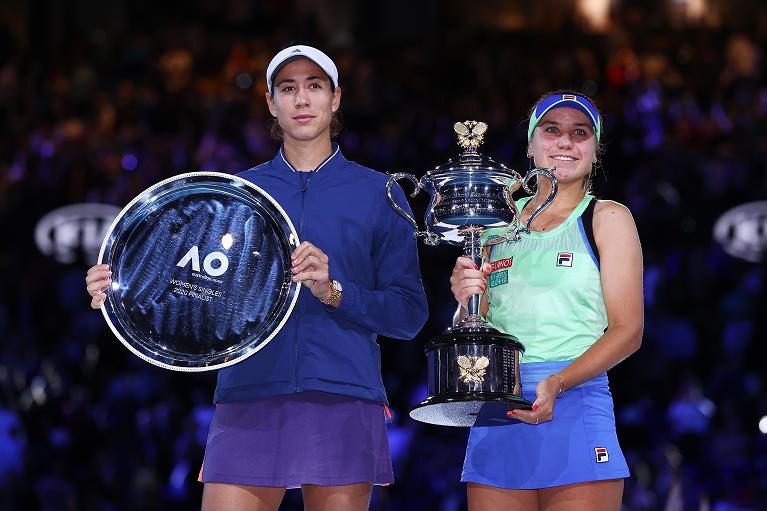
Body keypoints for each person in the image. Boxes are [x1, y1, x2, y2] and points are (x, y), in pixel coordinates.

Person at [86, 44, 428, 511]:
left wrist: (335, 292)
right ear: (271, 103)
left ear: (336, 98)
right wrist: (123, 289)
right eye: (288, 89)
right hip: (248, 395)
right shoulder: (236, 195)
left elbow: (409, 314)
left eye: (314, 86)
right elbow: (191, 283)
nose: (302, 100)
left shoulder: (381, 194)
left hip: (342, 395)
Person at [449, 92, 643, 511]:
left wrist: (557, 382)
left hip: (574, 400)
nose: (565, 142)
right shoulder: (493, 224)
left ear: (595, 149)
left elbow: (628, 332)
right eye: (552, 130)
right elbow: (475, 326)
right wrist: (464, 301)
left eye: (580, 133)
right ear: (532, 144)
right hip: (498, 404)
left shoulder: (608, 218)